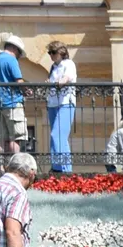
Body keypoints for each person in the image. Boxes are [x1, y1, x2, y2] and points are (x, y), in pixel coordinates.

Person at [0, 35, 27, 156]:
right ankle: (14, 165)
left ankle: (1, 166)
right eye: (19, 54)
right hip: (12, 102)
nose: (18, 57)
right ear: (15, 49)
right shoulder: (11, 60)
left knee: (2, 138)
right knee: (16, 137)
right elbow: (19, 81)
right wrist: (27, 91)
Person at [45, 41, 77, 173]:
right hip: (52, 103)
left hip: (65, 102)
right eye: (49, 53)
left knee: (57, 135)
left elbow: (68, 76)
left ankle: (65, 170)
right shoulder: (53, 67)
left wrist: (63, 80)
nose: (51, 55)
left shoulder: (68, 63)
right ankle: (56, 167)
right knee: (56, 138)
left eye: (53, 52)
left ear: (61, 52)